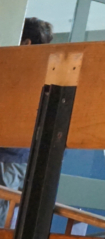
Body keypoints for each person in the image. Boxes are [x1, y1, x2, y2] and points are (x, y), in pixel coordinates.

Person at [0, 18, 54, 228]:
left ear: (26, 43)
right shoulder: (44, 72)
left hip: (10, 156)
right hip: (20, 157)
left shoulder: (22, 72)